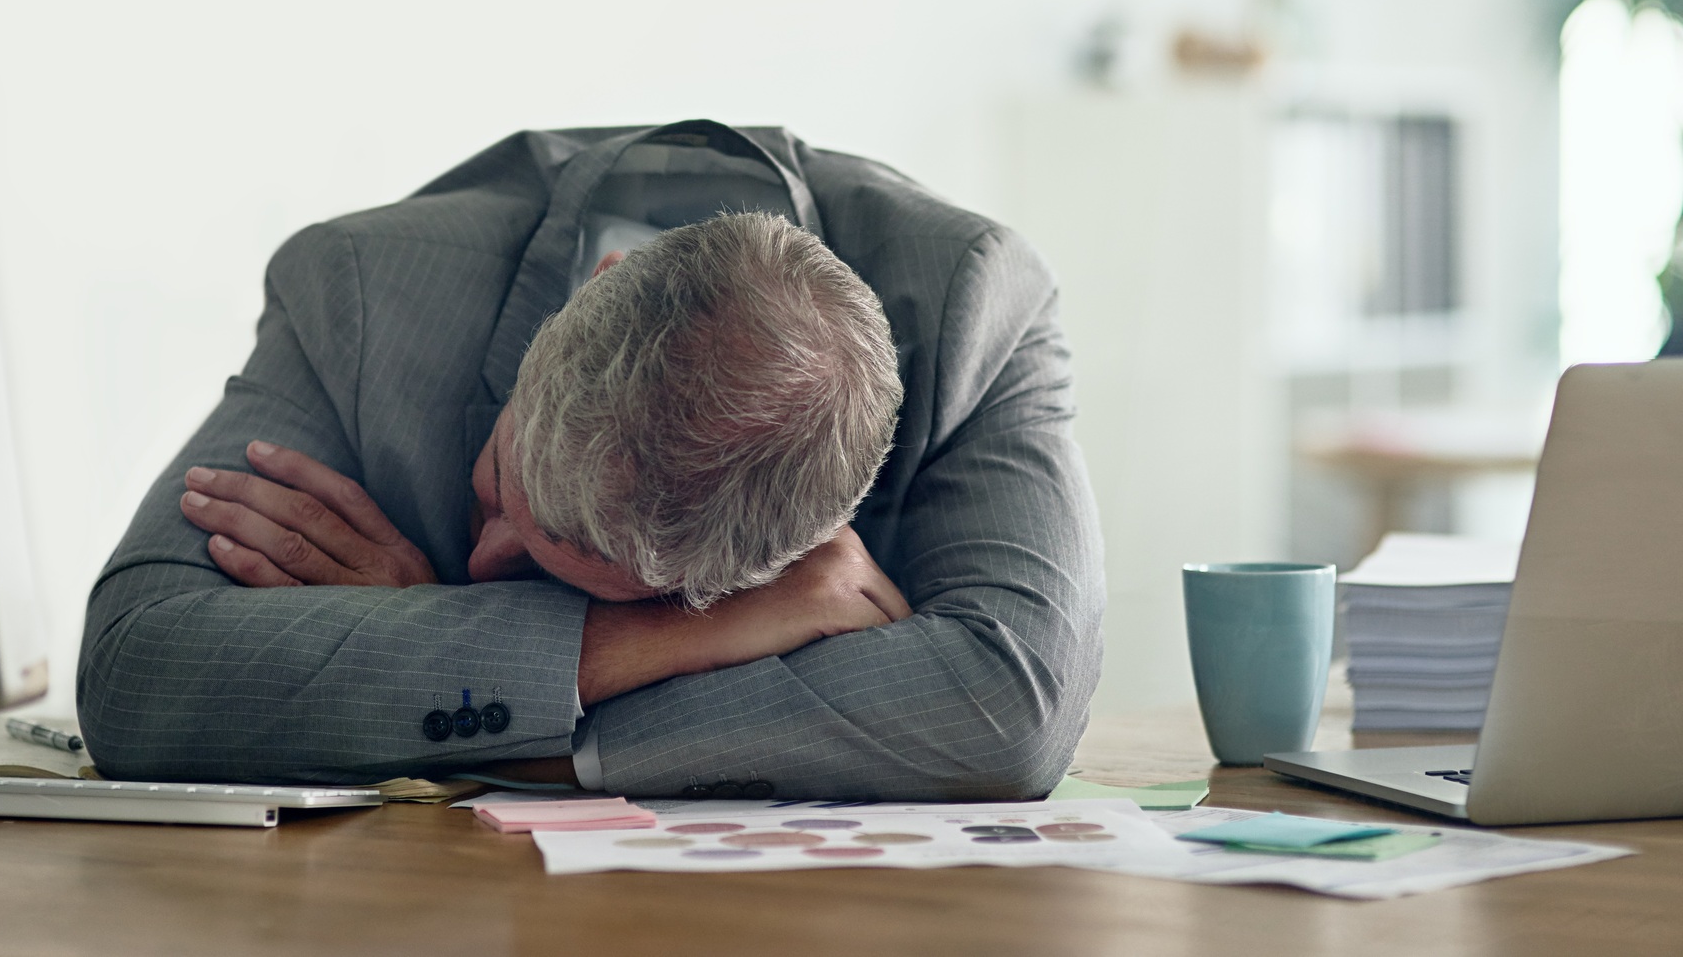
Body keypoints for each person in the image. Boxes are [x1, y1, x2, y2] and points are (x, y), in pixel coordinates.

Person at [78, 120, 1104, 800]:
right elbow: (137, 675)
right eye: (502, 483)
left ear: (806, 545)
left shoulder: (976, 307)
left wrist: (453, 690)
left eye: (641, 602)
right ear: (589, 292)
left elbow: (1003, 710)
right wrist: (642, 641)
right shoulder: (357, 289)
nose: (478, 568)